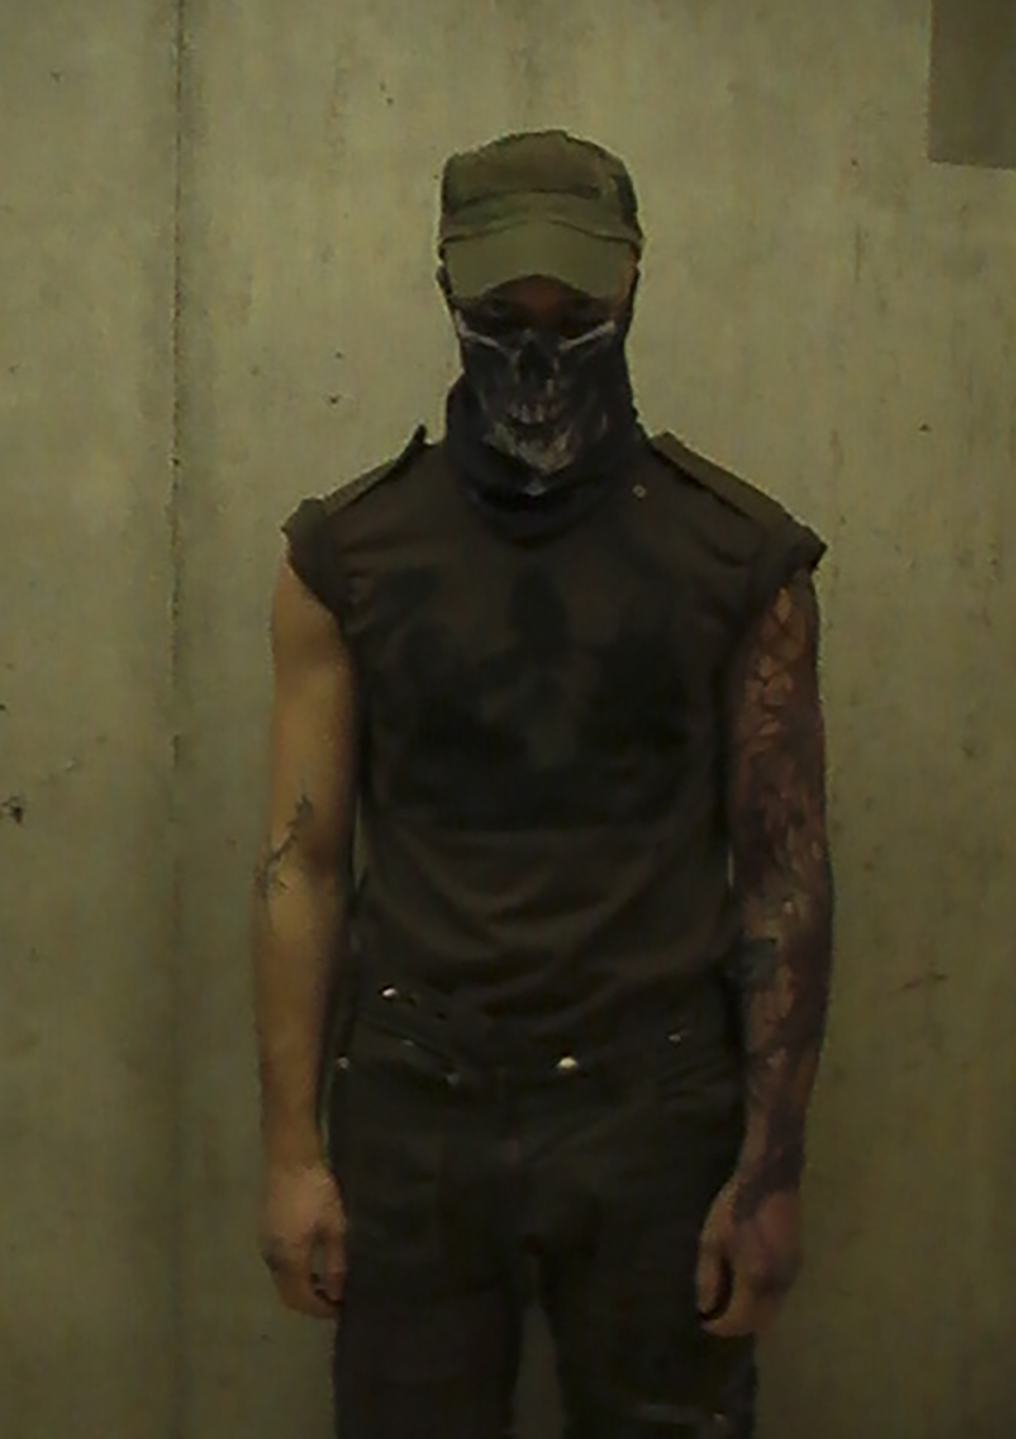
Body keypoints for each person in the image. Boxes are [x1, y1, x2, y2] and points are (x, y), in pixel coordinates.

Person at [251, 129, 834, 1439]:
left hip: (655, 1112)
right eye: (503, 316)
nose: (537, 352)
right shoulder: (349, 556)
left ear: (632, 285)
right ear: (446, 290)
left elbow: (785, 874)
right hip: (417, 1103)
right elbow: (301, 863)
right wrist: (292, 1153)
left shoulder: (738, 560)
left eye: (574, 316)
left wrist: (769, 1170)